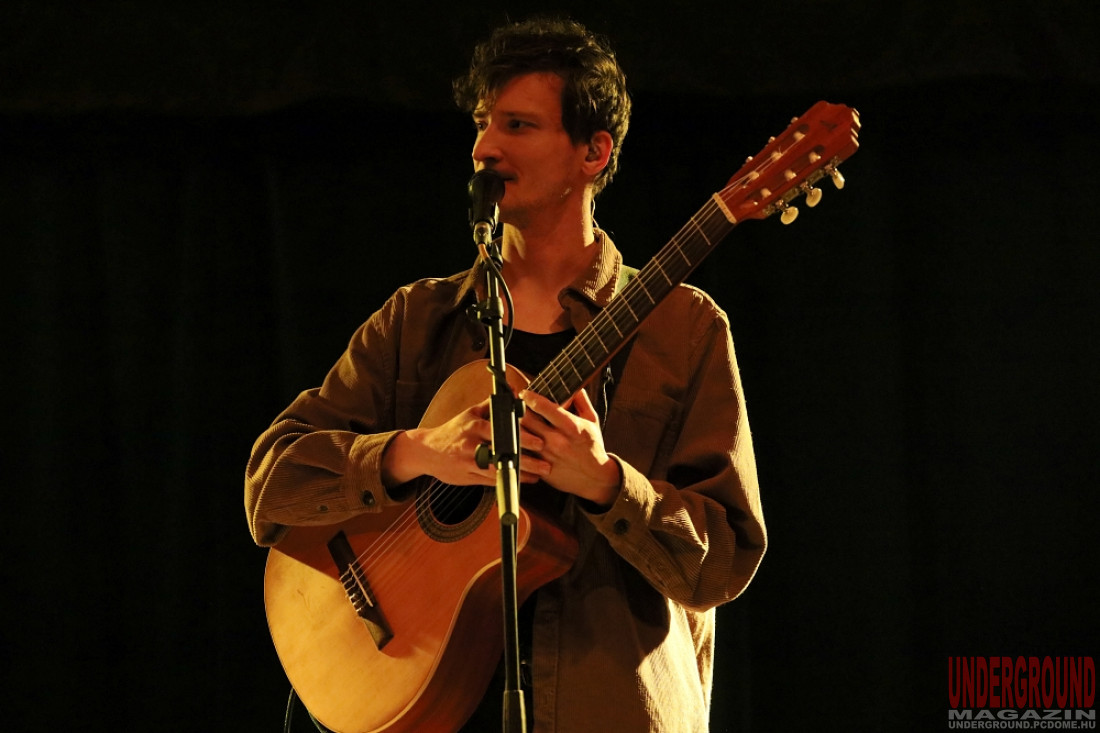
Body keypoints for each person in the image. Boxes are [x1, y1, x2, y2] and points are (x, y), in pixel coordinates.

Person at [246, 16, 766, 733]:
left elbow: (724, 562)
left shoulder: (686, 329)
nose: (485, 148)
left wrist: (607, 483)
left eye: (518, 125)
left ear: (593, 152)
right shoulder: (416, 319)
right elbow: (270, 486)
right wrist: (414, 453)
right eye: (482, 123)